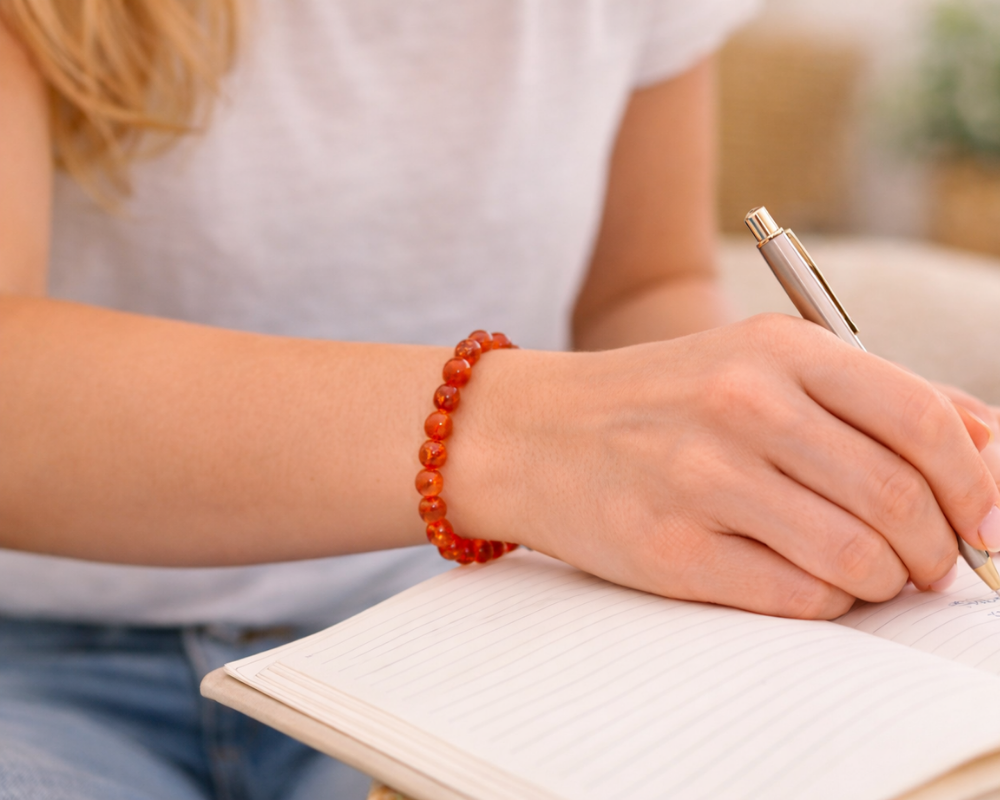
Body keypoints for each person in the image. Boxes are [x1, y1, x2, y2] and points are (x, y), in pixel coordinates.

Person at [2, 1, 1000, 798]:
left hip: (464, 628)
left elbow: (635, 283)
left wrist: (776, 450)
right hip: (34, 659)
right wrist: (519, 433)